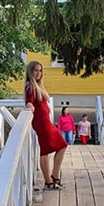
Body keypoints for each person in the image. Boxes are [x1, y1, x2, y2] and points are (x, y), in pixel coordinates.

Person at [24, 61, 67, 189]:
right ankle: (49, 180)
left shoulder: (38, 86)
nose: (38, 73)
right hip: (41, 124)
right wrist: (29, 107)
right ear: (30, 72)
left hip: (46, 123)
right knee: (46, 150)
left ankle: (53, 177)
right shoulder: (30, 86)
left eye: (40, 70)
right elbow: (29, 101)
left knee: (61, 146)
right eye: (36, 70)